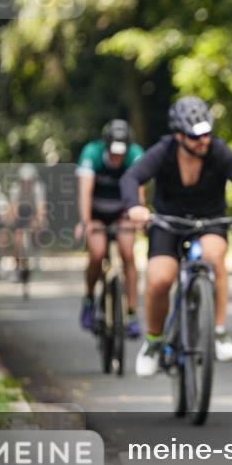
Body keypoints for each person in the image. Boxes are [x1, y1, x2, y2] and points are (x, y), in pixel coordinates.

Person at [121, 96, 232, 377]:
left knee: (214, 256)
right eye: (195, 136)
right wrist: (134, 206)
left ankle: (220, 333)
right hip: (168, 221)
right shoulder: (164, 151)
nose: (203, 141)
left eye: (207, 133)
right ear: (178, 135)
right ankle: (152, 342)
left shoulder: (218, 151)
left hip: (209, 220)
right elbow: (131, 178)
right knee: (160, 278)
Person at [74, 120, 146, 337]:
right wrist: (85, 222)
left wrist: (140, 218)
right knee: (96, 253)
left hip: (122, 211)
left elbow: (139, 191)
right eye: (113, 153)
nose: (117, 158)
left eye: (121, 154)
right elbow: (85, 191)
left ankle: (132, 313)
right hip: (97, 211)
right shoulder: (92, 153)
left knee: (128, 254)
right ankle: (88, 299)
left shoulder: (135, 154)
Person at [8, 163, 47, 278]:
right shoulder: (15, 188)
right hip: (20, 213)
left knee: (38, 230)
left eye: (29, 181)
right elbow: (14, 207)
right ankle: (16, 266)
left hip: (33, 212)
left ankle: (37, 255)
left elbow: (41, 206)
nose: (26, 184)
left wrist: (38, 220)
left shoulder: (38, 188)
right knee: (17, 240)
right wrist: (14, 220)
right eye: (24, 181)